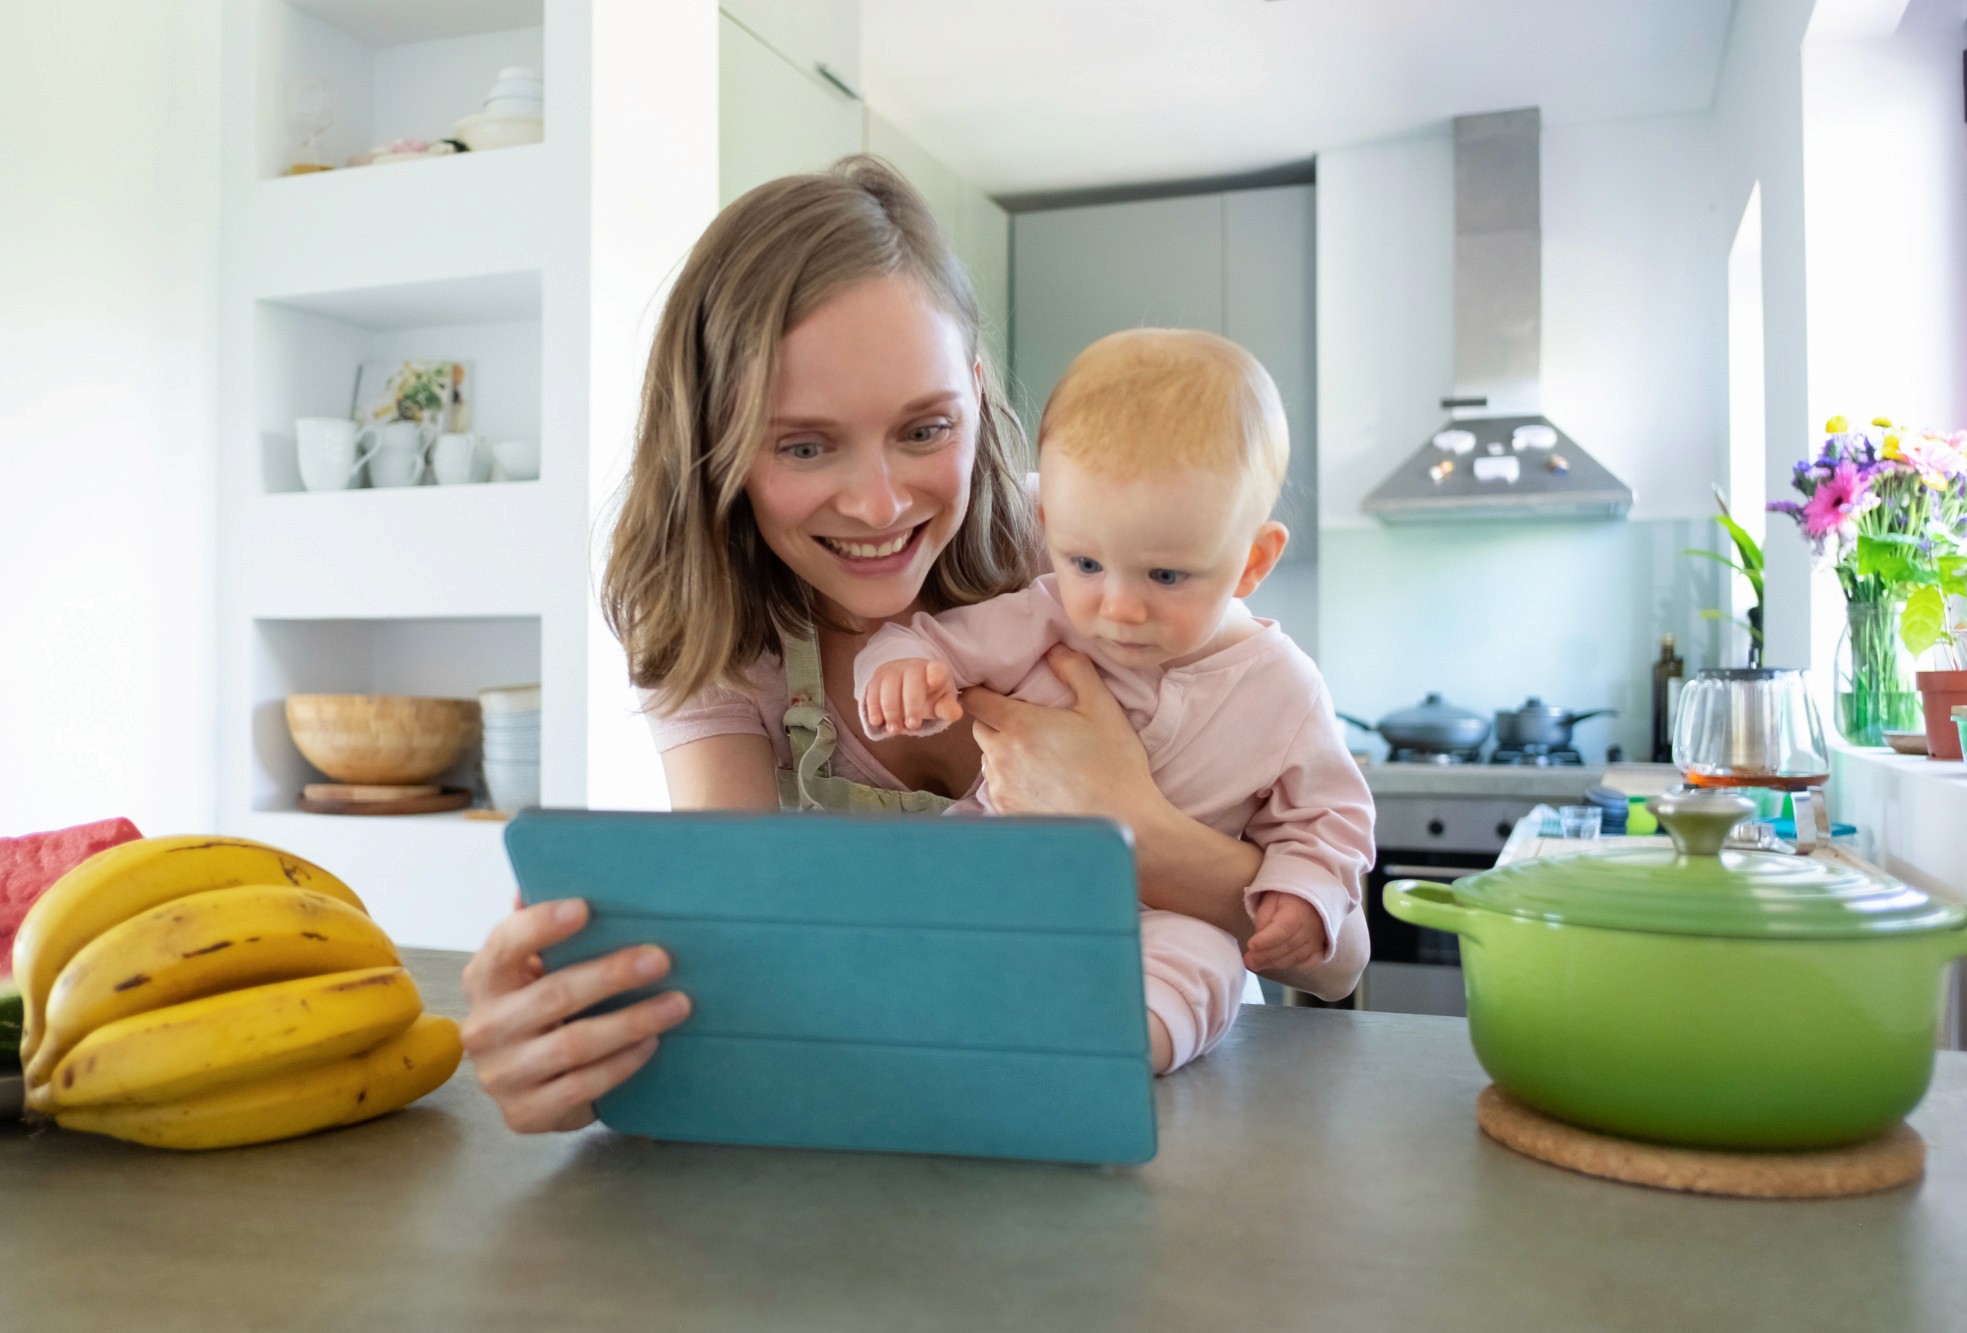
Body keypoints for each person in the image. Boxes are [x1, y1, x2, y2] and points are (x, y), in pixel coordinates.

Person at [459, 157, 1370, 1133]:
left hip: (1179, 1105)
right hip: (921, 1106)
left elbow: (1338, 957)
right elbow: (742, 937)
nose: (879, 504)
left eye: (923, 427)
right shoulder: (733, 644)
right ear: (717, 442)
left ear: (973, 395)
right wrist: (582, 1032)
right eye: (803, 445)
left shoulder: (1094, 548)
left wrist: (1138, 832)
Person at [857, 329, 1373, 1073]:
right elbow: (928, 640)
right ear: (1049, 531)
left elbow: (1331, 823)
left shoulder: (1286, 690)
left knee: (1205, 961)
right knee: (911, 900)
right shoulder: (1044, 612)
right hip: (997, 877)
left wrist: (1307, 895)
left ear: (1252, 561)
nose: (1118, 608)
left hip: (1158, 922)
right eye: (1087, 562)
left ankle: (1105, 1061)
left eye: (1166, 576)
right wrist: (905, 667)